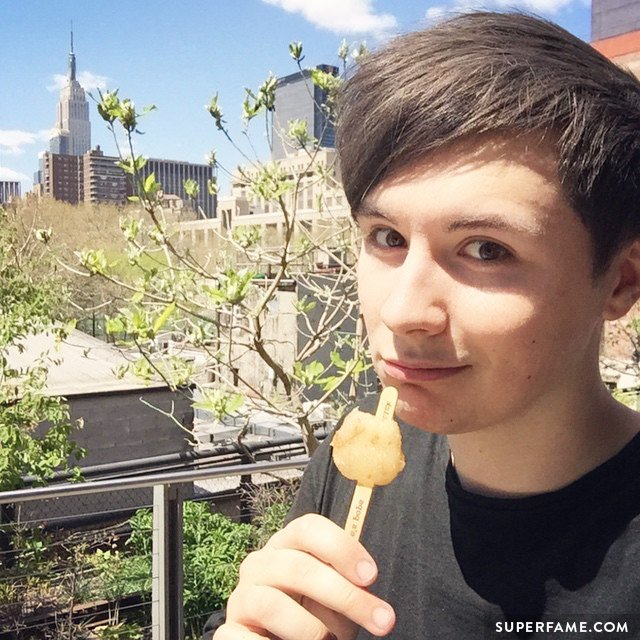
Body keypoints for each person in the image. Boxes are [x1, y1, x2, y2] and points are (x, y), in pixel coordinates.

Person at [210, 11, 640, 640]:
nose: (402, 311)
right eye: (385, 238)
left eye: (486, 249)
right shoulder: (349, 470)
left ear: (623, 280)